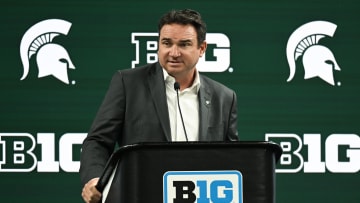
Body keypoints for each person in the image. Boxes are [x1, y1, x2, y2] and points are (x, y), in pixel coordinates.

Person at [80, 8, 239, 203]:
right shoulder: (128, 83)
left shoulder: (223, 97)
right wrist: (95, 179)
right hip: (142, 195)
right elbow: (97, 141)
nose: (174, 52)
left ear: (202, 48)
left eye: (184, 44)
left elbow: (232, 158)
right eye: (166, 43)